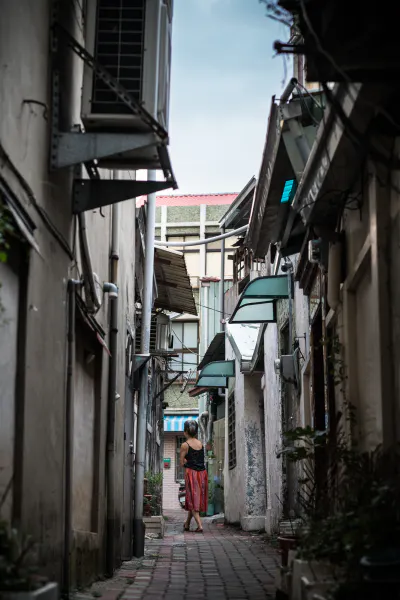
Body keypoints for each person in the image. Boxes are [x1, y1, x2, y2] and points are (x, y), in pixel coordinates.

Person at [180, 419, 208, 533]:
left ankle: (200, 526)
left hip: (191, 473)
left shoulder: (184, 445)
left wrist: (187, 461)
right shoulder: (200, 444)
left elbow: (182, 463)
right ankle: (187, 524)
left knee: (192, 499)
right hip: (202, 474)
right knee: (195, 498)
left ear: (185, 431)